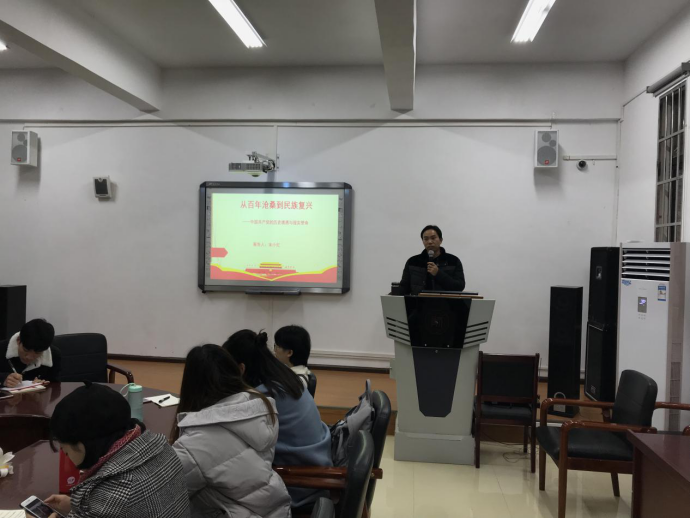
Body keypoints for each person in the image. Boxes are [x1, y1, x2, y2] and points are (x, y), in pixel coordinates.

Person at [171, 344, 291, 518]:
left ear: (190, 385)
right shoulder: (259, 407)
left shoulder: (195, 444)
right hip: (275, 509)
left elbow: (162, 492)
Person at [43, 382, 190, 518]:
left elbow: (115, 506)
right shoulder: (163, 448)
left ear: (82, 445)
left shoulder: (114, 496)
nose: (67, 456)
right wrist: (76, 507)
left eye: (66, 450)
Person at [223, 330, 332, 509]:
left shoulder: (265, 396)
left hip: (301, 484)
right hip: (316, 467)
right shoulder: (286, 378)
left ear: (241, 368)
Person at [399, 225, 466, 295]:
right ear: (423, 241)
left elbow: (459, 287)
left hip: (445, 301)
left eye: (433, 238)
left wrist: (438, 273)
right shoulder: (412, 262)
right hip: (419, 301)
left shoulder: (453, 261)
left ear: (441, 240)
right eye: (426, 239)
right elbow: (403, 288)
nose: (430, 242)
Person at [0, 318, 62, 388]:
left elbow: (55, 387)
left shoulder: (54, 355)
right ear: (18, 340)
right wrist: (3, 379)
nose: (29, 357)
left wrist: (44, 386)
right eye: (26, 350)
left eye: (37, 353)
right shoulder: (2, 348)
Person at [274, 325, 313, 389]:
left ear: (289, 353)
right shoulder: (291, 371)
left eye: (276, 347)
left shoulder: (296, 382)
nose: (275, 350)